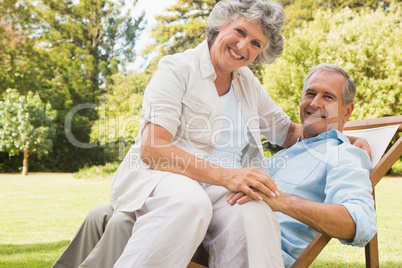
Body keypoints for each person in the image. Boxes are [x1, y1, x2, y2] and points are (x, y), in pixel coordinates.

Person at [52, 1, 370, 267]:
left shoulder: (246, 83)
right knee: (190, 203)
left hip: (218, 189)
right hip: (162, 176)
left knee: (255, 212)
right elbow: (153, 149)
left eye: (256, 43)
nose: (244, 46)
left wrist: (344, 136)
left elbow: (287, 131)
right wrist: (227, 177)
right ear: (221, 25)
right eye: (240, 32)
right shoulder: (177, 69)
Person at [227, 63, 377, 267]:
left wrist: (281, 200)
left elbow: (358, 223)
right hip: (223, 230)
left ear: (347, 111)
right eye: (310, 93)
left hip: (255, 251)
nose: (315, 103)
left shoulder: (343, 154)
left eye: (328, 97)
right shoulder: (288, 153)